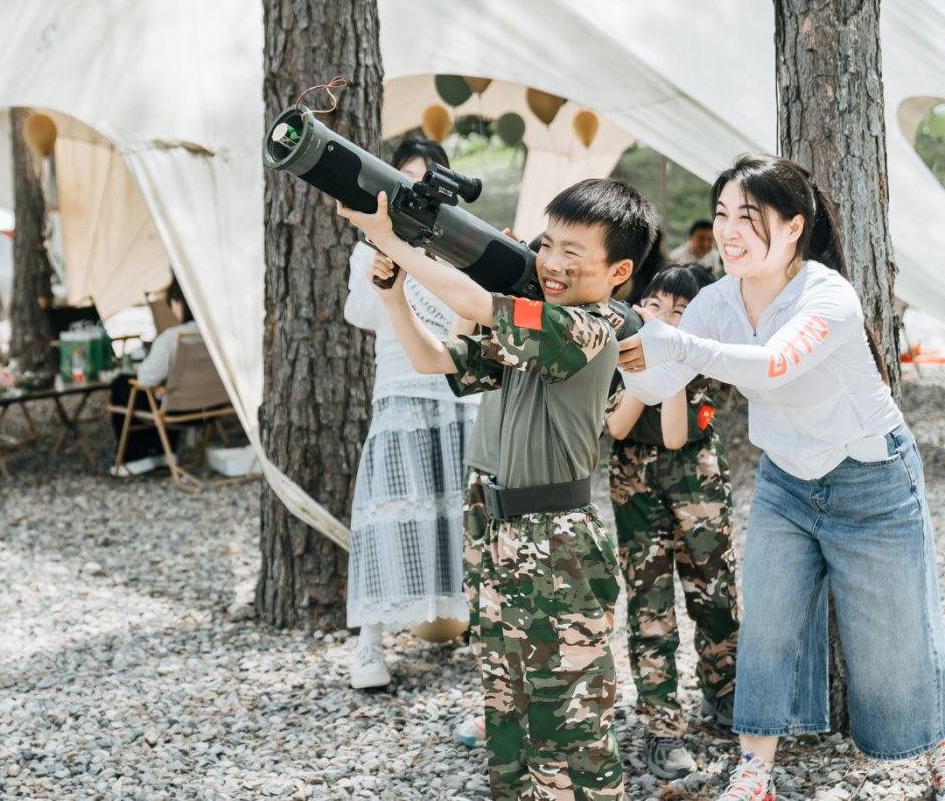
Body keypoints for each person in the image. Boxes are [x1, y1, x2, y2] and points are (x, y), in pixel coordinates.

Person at [617, 154, 945, 801]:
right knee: (766, 624)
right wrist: (629, 345)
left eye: (749, 216)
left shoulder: (828, 294)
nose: (729, 230)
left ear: (794, 226)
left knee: (896, 643)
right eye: (721, 215)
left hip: (872, 480)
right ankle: (755, 773)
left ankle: (937, 757)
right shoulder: (715, 300)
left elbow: (772, 366)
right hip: (786, 481)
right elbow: (656, 384)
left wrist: (676, 341)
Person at [340, 178, 656, 800]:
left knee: (569, 727)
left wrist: (394, 243)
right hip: (496, 532)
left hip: (557, 546)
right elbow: (437, 360)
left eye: (575, 252)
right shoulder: (532, 329)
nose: (554, 262)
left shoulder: (585, 328)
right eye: (549, 244)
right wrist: (393, 296)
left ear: (618, 271)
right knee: (507, 712)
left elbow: (482, 306)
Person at [342, 137, 477, 691]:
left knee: (467, 518)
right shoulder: (368, 247)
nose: (415, 190)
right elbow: (358, 312)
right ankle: (369, 646)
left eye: (427, 179)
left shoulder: (461, 247)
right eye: (405, 178)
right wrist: (385, 265)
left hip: (460, 398)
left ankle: (488, 634)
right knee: (386, 515)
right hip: (399, 391)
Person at [605, 263, 739, 781]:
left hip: (696, 477)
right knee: (649, 603)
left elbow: (678, 434)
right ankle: (662, 727)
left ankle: (724, 692)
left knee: (715, 593)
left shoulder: (703, 363)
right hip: (633, 481)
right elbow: (617, 425)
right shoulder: (615, 356)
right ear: (638, 307)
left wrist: (673, 359)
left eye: (680, 313)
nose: (664, 319)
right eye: (655, 307)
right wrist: (645, 360)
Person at [108, 278, 199, 477]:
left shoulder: (173, 338)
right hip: (210, 409)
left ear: (178, 303)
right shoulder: (216, 335)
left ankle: (137, 457)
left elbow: (146, 379)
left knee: (123, 385)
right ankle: (165, 452)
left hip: (178, 408)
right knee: (165, 388)